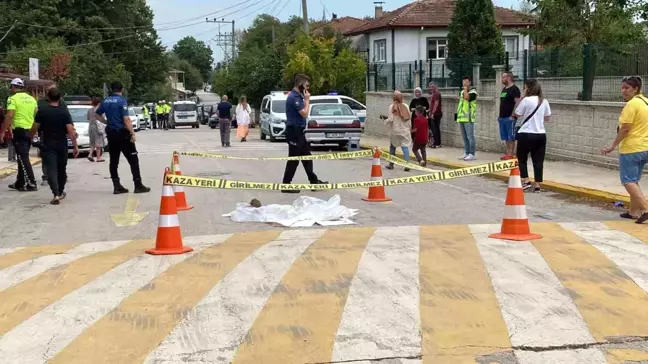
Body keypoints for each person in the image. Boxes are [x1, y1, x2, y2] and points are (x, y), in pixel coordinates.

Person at [601, 76, 648, 223]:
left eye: (627, 88)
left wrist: (613, 145)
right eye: (622, 87)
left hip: (631, 148)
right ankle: (633, 211)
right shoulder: (645, 102)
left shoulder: (631, 105)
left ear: (636, 89)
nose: (623, 91)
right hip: (645, 147)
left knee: (628, 181)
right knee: (634, 180)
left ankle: (646, 208)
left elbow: (625, 128)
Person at [95, 81, 150, 194]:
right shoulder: (121, 101)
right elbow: (126, 119)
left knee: (114, 160)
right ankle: (138, 184)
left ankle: (116, 185)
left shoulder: (105, 101)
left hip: (111, 133)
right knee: (133, 158)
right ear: (122, 89)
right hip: (122, 133)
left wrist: (106, 122)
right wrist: (132, 133)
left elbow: (97, 114)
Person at [31, 87, 79, 205]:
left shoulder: (42, 110)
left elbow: (35, 126)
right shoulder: (64, 111)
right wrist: (75, 146)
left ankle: (56, 194)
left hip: (47, 144)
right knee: (61, 169)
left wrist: (30, 137)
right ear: (60, 98)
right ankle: (61, 191)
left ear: (48, 97)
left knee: (51, 169)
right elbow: (70, 131)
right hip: (61, 144)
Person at [281, 74, 327, 193]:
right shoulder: (294, 98)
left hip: (299, 132)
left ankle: (314, 182)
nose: (308, 88)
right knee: (294, 159)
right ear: (301, 85)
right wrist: (307, 100)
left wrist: (304, 99)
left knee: (307, 157)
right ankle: (286, 185)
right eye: (306, 85)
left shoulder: (298, 96)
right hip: (294, 131)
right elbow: (305, 113)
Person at [0, 78, 38, 191]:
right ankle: (20, 182)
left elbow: (10, 115)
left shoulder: (12, 99)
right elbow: (37, 115)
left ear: (13, 87)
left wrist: (2, 131)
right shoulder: (32, 99)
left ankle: (31, 182)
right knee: (22, 157)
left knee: (23, 157)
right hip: (30, 131)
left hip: (20, 131)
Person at [515, 79, 551, 193]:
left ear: (528, 88)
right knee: (538, 160)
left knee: (522, 159)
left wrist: (522, 97)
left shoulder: (526, 100)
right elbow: (547, 118)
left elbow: (517, 114)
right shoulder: (543, 101)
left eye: (525, 87)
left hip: (526, 133)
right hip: (540, 134)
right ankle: (537, 185)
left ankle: (526, 181)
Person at [384, 90, 412, 171]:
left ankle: (391, 164)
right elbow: (408, 118)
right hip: (405, 130)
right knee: (405, 147)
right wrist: (409, 128)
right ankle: (407, 164)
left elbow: (390, 119)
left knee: (392, 146)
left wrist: (385, 121)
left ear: (394, 98)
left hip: (395, 131)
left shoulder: (392, 107)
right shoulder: (406, 106)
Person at [499, 71, 522, 160]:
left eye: (504, 77)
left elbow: (517, 103)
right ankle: (508, 153)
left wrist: (512, 115)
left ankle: (511, 154)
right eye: (502, 77)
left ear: (509, 78)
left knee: (511, 136)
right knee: (505, 136)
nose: (502, 79)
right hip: (502, 117)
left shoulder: (515, 89)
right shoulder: (504, 89)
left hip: (510, 117)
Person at [457, 76, 478, 161]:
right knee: (464, 137)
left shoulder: (473, 92)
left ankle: (472, 154)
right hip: (461, 118)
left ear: (470, 82)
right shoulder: (462, 92)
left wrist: (465, 89)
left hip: (469, 118)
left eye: (466, 82)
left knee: (470, 136)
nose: (464, 84)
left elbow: (467, 98)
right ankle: (466, 152)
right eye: (463, 82)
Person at [87, 97, 106, 162]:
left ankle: (90, 154)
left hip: (90, 127)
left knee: (92, 142)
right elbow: (102, 119)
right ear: (99, 103)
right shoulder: (100, 110)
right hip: (97, 127)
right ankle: (98, 157)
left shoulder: (89, 110)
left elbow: (88, 118)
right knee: (98, 142)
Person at [428, 82, 443, 148]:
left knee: (435, 129)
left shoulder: (436, 93)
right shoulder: (434, 93)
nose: (431, 88)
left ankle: (436, 143)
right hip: (435, 113)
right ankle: (437, 143)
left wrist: (433, 113)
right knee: (436, 128)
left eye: (433, 86)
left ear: (435, 86)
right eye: (430, 87)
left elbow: (436, 104)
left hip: (436, 114)